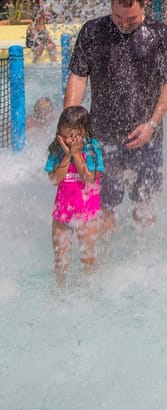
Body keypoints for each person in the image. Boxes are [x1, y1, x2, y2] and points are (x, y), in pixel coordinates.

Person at [64, 0, 167, 230]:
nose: (124, 24)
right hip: (102, 134)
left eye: (132, 18)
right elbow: (78, 76)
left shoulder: (159, 34)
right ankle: (105, 266)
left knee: (145, 204)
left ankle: (143, 263)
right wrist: (68, 126)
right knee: (103, 206)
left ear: (144, 7)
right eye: (118, 16)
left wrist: (152, 123)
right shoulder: (93, 31)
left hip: (146, 134)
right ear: (111, 7)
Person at [45, 106, 104, 283]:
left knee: (88, 261)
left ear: (83, 132)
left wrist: (77, 154)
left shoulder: (93, 149)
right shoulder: (57, 151)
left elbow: (90, 180)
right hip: (62, 216)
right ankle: (62, 295)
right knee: (61, 264)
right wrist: (66, 155)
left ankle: (87, 294)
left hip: (87, 216)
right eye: (63, 135)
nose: (67, 140)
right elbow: (55, 180)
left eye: (72, 136)